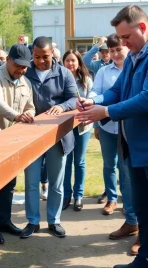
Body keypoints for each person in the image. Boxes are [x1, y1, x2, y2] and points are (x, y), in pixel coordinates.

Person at [75, 5, 148, 268]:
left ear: (142, 27)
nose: (123, 44)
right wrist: (93, 100)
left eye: (127, 37)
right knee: (144, 211)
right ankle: (145, 260)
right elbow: (119, 89)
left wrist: (105, 111)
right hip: (134, 148)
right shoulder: (135, 54)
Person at [21, 36, 77, 239]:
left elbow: (73, 99)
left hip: (57, 136)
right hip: (31, 137)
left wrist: (61, 106)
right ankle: (32, 221)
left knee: (56, 182)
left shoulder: (64, 73)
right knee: (32, 181)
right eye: (36, 57)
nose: (41, 61)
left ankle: (54, 220)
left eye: (45, 56)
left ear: (53, 53)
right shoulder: (25, 72)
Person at [89, 34, 139, 255]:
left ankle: (136, 222)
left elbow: (137, 100)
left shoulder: (137, 67)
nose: (117, 53)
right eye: (113, 50)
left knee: (129, 174)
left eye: (120, 49)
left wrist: (105, 108)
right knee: (111, 166)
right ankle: (119, 207)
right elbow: (105, 93)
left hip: (132, 130)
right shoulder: (103, 71)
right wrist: (92, 100)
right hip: (110, 127)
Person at [0, 44, 35, 244]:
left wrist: (29, 115)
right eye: (18, 66)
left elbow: (30, 107)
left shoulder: (25, 82)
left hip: (13, 141)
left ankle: (5, 221)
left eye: (24, 67)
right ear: (8, 60)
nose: (21, 70)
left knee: (9, 184)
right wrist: (17, 116)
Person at [62, 50, 93, 211]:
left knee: (79, 161)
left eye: (73, 60)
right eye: (67, 60)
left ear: (79, 62)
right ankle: (66, 195)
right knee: (66, 161)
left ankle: (78, 196)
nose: (70, 64)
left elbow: (92, 101)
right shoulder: (61, 79)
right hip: (66, 126)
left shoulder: (86, 80)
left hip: (83, 125)